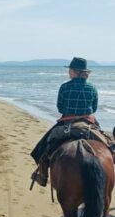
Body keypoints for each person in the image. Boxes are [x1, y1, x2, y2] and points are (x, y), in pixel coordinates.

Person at [30, 57, 115, 187]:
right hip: (88, 122)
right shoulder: (92, 88)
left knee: (44, 146)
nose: (68, 72)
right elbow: (94, 107)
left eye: (69, 70)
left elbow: (60, 108)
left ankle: (42, 176)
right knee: (108, 143)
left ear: (74, 71)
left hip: (66, 122)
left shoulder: (64, 87)